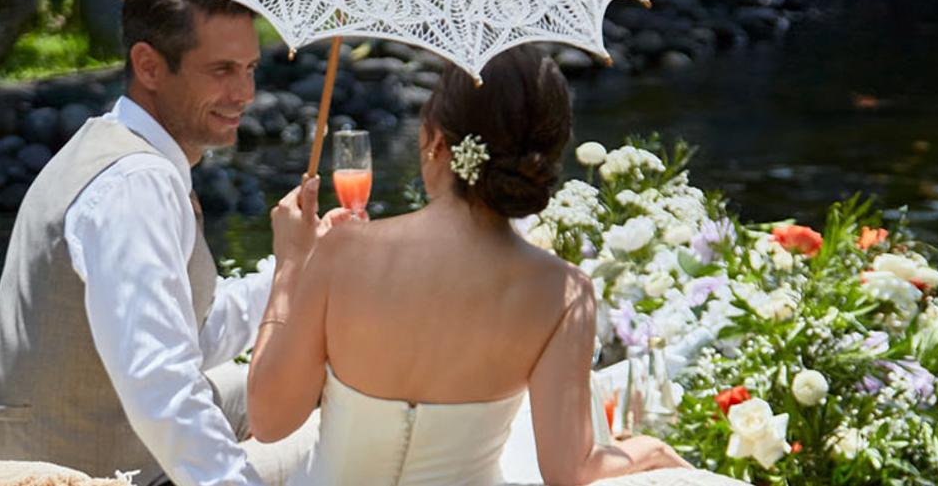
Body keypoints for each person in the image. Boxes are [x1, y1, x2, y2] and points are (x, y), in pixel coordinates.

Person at [248, 45, 694, 485]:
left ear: (436, 141)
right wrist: (647, 449)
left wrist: (291, 265)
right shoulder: (565, 292)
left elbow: (268, 421)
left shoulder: (343, 250)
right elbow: (569, 469)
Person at [0, 0, 314, 485]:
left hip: (64, 444)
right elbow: (163, 384)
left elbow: (191, 335)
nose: (244, 94)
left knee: (267, 389)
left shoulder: (116, 148)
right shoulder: (137, 185)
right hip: (80, 478)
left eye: (250, 68)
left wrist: (293, 268)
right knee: (332, 425)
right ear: (149, 66)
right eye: (221, 71)